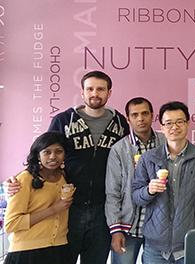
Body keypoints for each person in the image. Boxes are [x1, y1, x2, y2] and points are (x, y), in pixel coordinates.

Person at [3, 70, 129, 264]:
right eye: (90, 89)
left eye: (100, 89)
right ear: (82, 92)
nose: (95, 93)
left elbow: (127, 161)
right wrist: (16, 179)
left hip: (103, 208)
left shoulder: (120, 123)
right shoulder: (63, 120)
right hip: (68, 208)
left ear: (109, 93)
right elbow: (43, 153)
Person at [132, 101, 195, 264]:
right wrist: (148, 190)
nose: (174, 127)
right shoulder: (148, 158)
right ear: (162, 127)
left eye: (180, 122)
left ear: (188, 124)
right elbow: (136, 197)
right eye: (169, 123)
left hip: (190, 244)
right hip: (155, 248)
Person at [105, 97, 166, 264]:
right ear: (128, 119)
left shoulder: (165, 142)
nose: (141, 119)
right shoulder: (119, 149)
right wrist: (115, 230)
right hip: (128, 227)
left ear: (153, 115)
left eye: (145, 113)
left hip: (160, 227)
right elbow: (112, 192)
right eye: (135, 115)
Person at [4, 131, 74, 264]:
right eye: (47, 152)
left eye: (58, 151)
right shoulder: (25, 179)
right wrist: (53, 209)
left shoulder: (63, 177)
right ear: (38, 155)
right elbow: (10, 224)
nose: (53, 156)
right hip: (27, 253)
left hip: (59, 250)